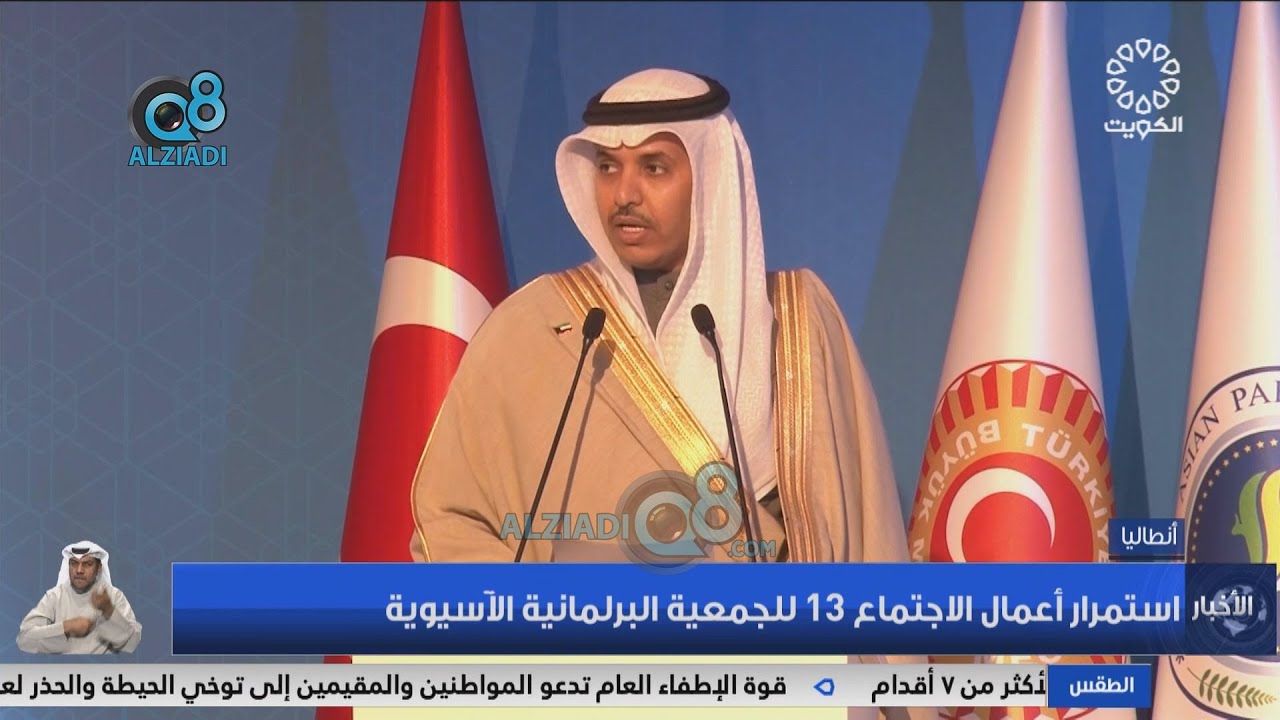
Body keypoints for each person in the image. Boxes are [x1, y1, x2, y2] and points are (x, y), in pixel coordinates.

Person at [16, 541, 142, 654]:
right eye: (74, 563)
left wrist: (109, 611)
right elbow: (24, 639)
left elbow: (132, 643)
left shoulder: (114, 596)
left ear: (99, 568)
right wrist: (66, 627)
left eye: (87, 564)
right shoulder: (54, 597)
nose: (79, 570)